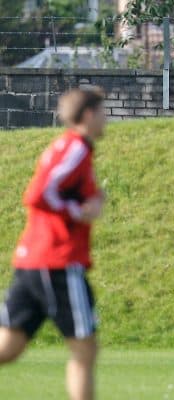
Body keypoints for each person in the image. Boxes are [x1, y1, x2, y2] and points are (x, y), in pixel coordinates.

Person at [0, 87, 107, 400]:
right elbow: (37, 194)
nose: (106, 119)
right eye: (103, 112)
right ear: (88, 115)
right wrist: (80, 210)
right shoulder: (75, 148)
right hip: (57, 262)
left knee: (8, 348)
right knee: (85, 348)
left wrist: (91, 199)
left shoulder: (69, 148)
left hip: (35, 260)